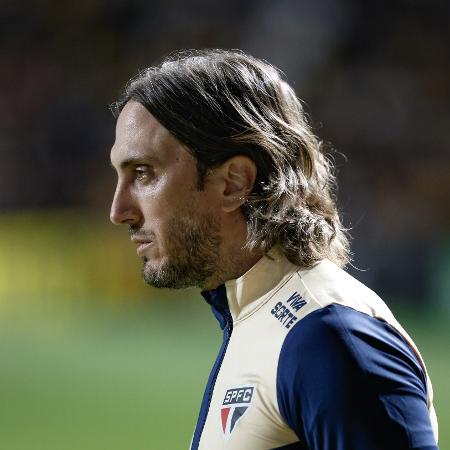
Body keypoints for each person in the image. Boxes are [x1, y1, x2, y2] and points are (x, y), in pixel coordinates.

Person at [109, 49, 439, 450]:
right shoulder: (257, 312)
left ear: (233, 183)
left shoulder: (331, 339)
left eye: (144, 173)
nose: (118, 211)